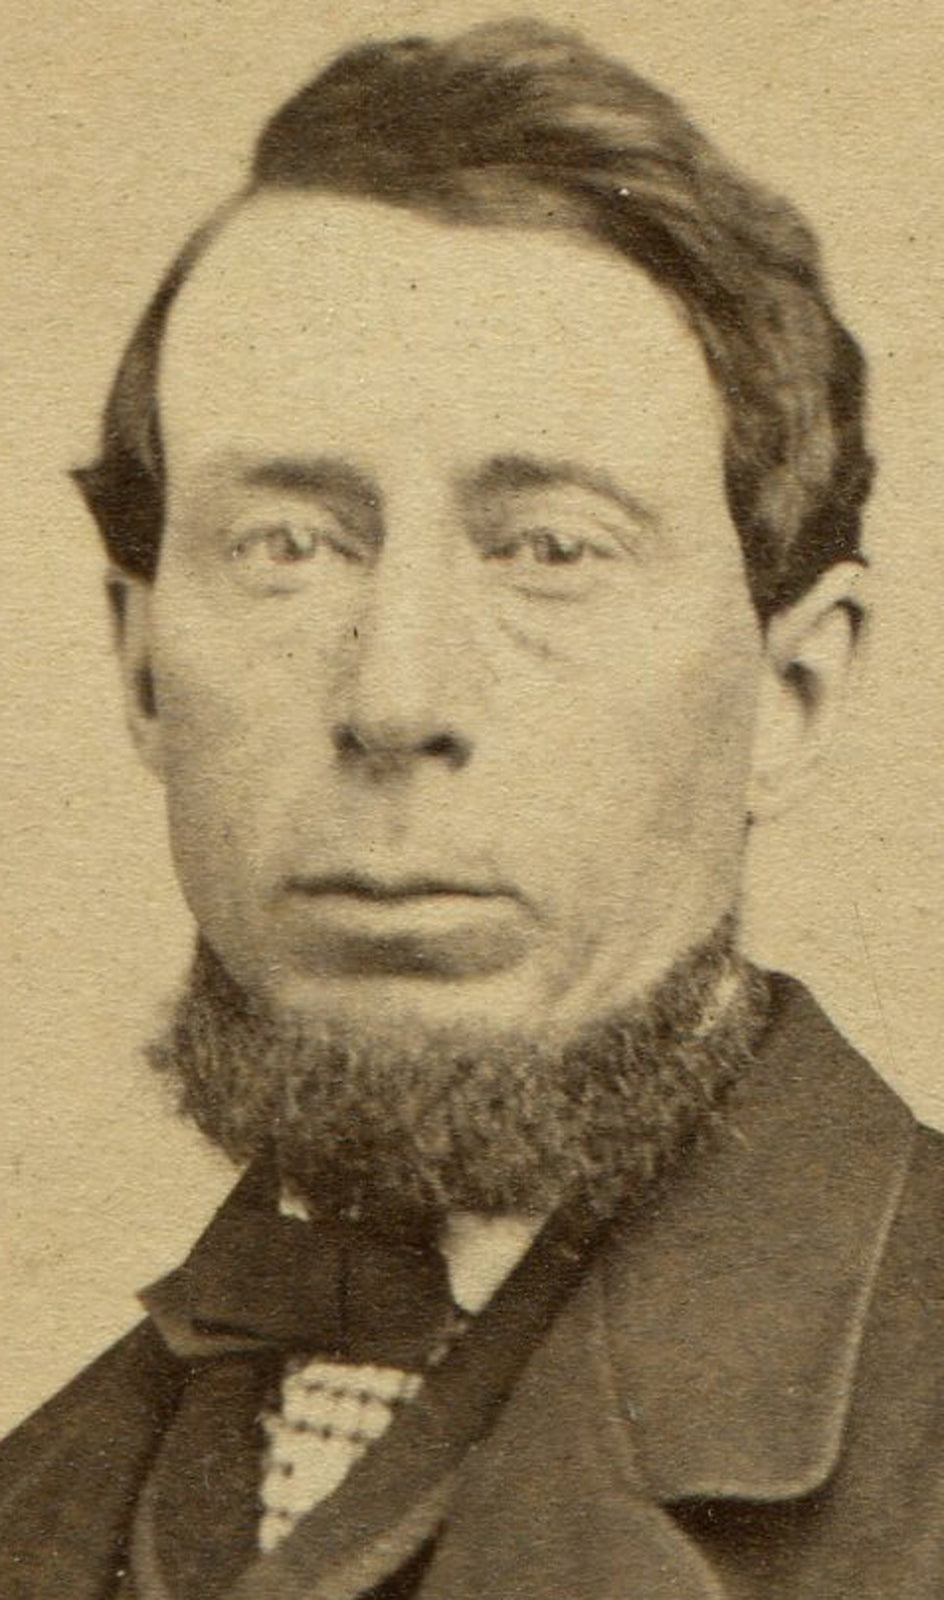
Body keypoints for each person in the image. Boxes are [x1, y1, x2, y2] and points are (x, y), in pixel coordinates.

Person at [2, 18, 941, 1598]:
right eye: (288, 544)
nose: (396, 697)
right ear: (144, 665)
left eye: (550, 548)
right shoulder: (40, 1495)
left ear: (794, 693)